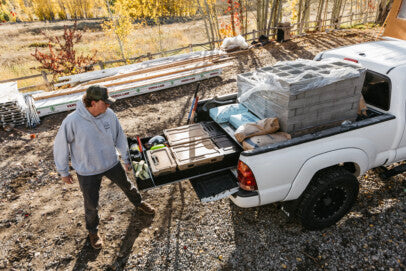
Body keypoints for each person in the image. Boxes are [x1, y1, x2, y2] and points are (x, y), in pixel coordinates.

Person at [53, 85, 155, 249]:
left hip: (111, 163)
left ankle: (139, 203)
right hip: (87, 170)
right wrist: (63, 171)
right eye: (105, 102)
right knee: (91, 204)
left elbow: (119, 136)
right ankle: (93, 231)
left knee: (127, 186)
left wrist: (127, 158)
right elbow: (60, 146)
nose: (108, 105)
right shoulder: (72, 121)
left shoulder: (109, 115)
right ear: (93, 103)